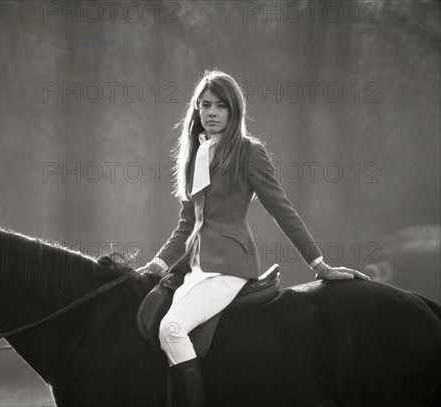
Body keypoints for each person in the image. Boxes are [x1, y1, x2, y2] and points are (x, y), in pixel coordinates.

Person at [136, 70, 369, 407]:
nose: (212, 113)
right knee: (158, 325)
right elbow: (188, 224)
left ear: (234, 111)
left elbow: (281, 208)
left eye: (221, 106)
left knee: (171, 328)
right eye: (205, 105)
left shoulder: (248, 152)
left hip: (230, 266)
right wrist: (156, 264)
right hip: (196, 270)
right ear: (196, 110)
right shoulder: (194, 156)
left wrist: (319, 264)